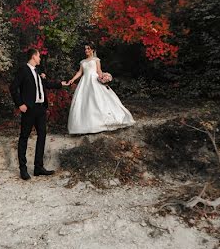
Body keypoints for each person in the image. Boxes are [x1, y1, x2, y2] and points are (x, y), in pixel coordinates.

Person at [9, 48, 68, 180]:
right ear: (34, 56)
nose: (40, 58)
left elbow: (46, 84)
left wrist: (61, 84)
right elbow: (13, 87)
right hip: (29, 109)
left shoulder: (38, 72)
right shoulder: (23, 70)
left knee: (42, 136)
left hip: (41, 109)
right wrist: (20, 104)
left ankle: (38, 167)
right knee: (24, 137)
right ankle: (23, 169)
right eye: (39, 56)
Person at [66, 44, 135, 135]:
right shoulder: (82, 61)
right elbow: (80, 72)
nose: (86, 50)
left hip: (94, 80)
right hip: (85, 81)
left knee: (98, 99)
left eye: (88, 49)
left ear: (92, 50)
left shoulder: (96, 60)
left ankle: (102, 122)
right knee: (84, 101)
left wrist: (103, 78)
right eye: (85, 49)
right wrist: (73, 79)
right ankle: (85, 125)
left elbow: (99, 71)